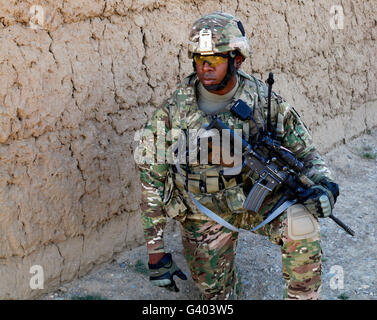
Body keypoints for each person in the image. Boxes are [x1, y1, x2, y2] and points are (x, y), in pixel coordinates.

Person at [136, 11, 339, 300]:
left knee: (302, 225)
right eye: (199, 59)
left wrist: (324, 183)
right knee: (217, 294)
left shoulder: (263, 101)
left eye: (216, 60)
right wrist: (155, 252)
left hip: (258, 199)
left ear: (237, 59)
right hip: (204, 209)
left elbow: (305, 152)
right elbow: (150, 181)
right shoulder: (174, 112)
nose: (206, 68)